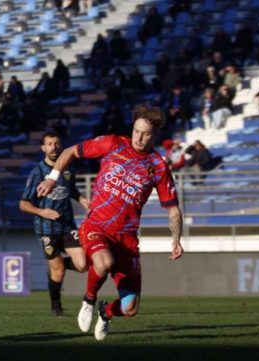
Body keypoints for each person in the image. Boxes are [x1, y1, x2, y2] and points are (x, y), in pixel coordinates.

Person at [37, 104, 183, 341]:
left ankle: (105, 312)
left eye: (145, 133)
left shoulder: (158, 166)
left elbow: (173, 209)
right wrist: (53, 178)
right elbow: (70, 152)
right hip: (97, 226)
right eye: (136, 130)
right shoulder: (114, 143)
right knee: (103, 263)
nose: (139, 137)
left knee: (130, 307)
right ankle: (89, 300)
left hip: (126, 238)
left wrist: (176, 239)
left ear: (154, 134)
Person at [20, 131, 89, 316]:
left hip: (67, 226)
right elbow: (23, 204)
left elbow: (71, 189)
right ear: (43, 147)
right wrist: (43, 211)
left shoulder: (67, 170)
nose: (53, 147)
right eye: (49, 144)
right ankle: (56, 307)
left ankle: (56, 265)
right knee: (58, 273)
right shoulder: (38, 172)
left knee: (83, 265)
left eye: (57, 143)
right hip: (46, 230)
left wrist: (81, 199)